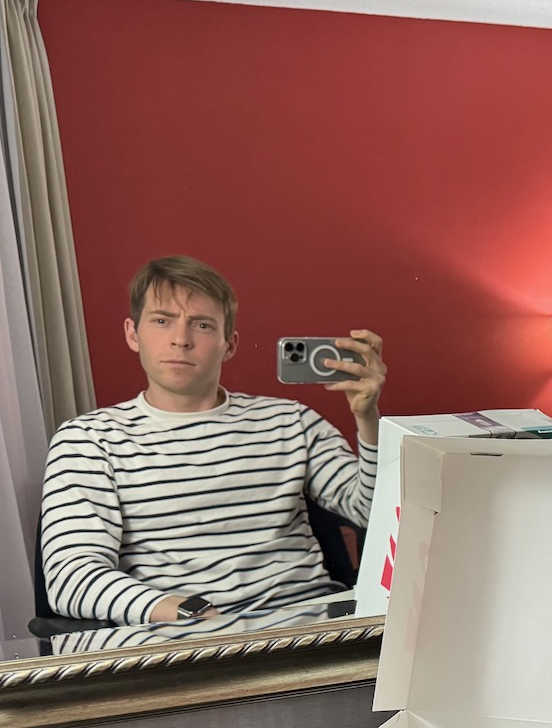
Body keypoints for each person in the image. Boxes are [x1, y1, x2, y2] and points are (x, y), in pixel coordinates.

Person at [40, 255, 386, 625]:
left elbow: (372, 514)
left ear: (229, 344)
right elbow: (71, 578)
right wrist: (185, 610)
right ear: (132, 334)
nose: (180, 340)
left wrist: (368, 420)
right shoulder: (88, 440)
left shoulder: (290, 422)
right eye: (162, 321)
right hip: (182, 645)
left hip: (307, 631)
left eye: (201, 325)